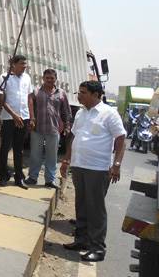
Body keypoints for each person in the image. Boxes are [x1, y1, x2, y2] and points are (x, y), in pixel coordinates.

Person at [60, 81, 126, 262]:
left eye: (83, 92)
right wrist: (66, 159)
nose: (79, 95)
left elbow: (121, 139)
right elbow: (73, 136)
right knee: (81, 205)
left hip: (98, 169)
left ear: (96, 95)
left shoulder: (109, 114)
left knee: (95, 209)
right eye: (79, 92)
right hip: (79, 165)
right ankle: (81, 240)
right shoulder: (81, 113)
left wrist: (117, 165)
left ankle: (97, 247)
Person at [25, 69, 72, 189]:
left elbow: (66, 111)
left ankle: (50, 180)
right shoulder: (36, 91)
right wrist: (32, 119)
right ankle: (32, 177)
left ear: (56, 79)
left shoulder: (61, 93)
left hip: (53, 129)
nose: (49, 80)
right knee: (35, 154)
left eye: (52, 78)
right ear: (43, 78)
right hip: (37, 129)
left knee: (52, 156)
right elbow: (29, 107)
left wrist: (67, 126)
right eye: (47, 78)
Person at [0, 54, 34, 189]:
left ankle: (19, 178)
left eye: (25, 64)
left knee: (19, 149)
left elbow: (29, 98)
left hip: (23, 118)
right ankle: (3, 176)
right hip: (8, 118)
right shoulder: (4, 77)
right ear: (13, 64)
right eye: (22, 64)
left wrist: (31, 117)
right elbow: (2, 100)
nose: (24, 67)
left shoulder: (27, 78)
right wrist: (13, 115)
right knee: (5, 147)